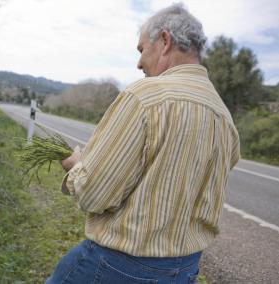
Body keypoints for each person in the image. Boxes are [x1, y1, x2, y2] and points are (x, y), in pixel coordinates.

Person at [46, 3, 240, 284]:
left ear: (164, 41)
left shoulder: (145, 96)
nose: (138, 63)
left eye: (140, 50)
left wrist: (76, 165)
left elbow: (94, 195)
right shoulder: (223, 115)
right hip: (184, 271)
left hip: (117, 268)